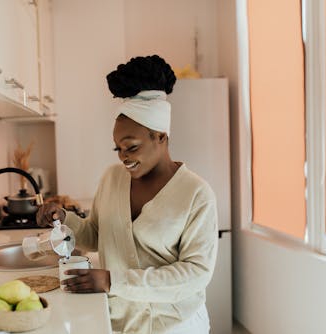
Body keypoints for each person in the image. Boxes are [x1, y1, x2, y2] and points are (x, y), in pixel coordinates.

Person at [36, 55, 219, 334]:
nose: (123, 157)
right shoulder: (112, 179)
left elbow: (195, 274)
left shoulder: (196, 195)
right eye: (117, 149)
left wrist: (113, 282)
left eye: (131, 147)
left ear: (161, 136)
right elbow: (95, 234)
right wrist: (64, 219)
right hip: (121, 324)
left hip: (176, 326)